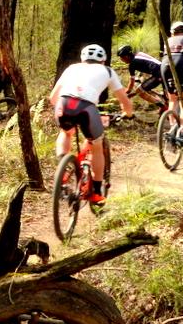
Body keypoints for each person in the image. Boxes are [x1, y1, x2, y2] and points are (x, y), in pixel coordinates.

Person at [48, 44, 134, 211]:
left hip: (63, 104)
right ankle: (95, 191)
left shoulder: (71, 68)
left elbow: (53, 98)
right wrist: (128, 113)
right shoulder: (108, 71)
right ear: (103, 60)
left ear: (82, 58)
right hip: (86, 108)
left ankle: (63, 171)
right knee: (96, 145)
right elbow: (124, 100)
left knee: (65, 133)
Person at [115, 44, 166, 109]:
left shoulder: (132, 64)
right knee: (144, 88)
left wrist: (127, 92)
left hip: (158, 74)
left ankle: (163, 106)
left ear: (126, 56)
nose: (121, 60)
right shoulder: (139, 54)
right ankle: (162, 97)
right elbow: (150, 63)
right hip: (164, 69)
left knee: (140, 91)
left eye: (122, 58)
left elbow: (131, 82)